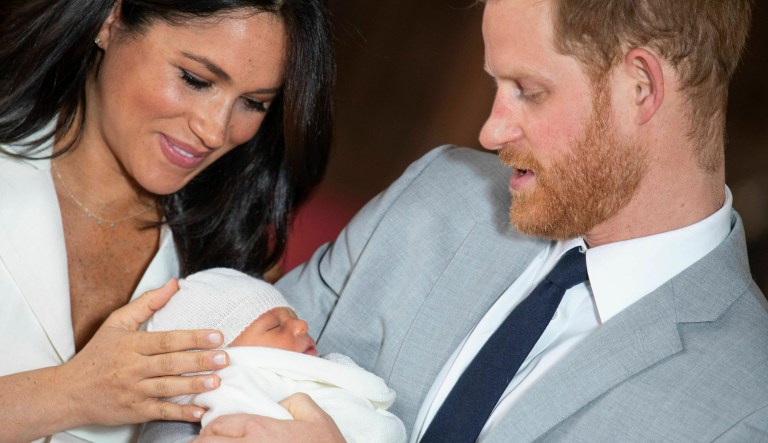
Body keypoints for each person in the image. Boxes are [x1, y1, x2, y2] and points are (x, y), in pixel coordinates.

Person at [169, 0, 767, 441]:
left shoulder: (750, 408)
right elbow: (186, 391)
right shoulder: (437, 193)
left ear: (641, 86)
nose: (490, 131)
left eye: (527, 89)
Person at [0, 0, 333, 440]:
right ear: (111, 19)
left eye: (254, 103)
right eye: (195, 79)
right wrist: (69, 394)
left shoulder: (234, 267)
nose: (214, 131)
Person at [140, 267, 407, 443]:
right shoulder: (234, 384)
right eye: (276, 326)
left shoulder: (314, 372)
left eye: (294, 316)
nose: (302, 325)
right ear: (219, 358)